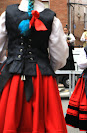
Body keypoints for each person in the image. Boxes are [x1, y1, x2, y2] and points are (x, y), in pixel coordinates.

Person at [0, 0, 68, 132]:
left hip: (13, 76)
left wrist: (8, 63)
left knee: (9, 119)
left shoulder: (6, 14)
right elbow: (59, 56)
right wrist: (46, 67)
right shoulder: (52, 19)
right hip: (42, 77)